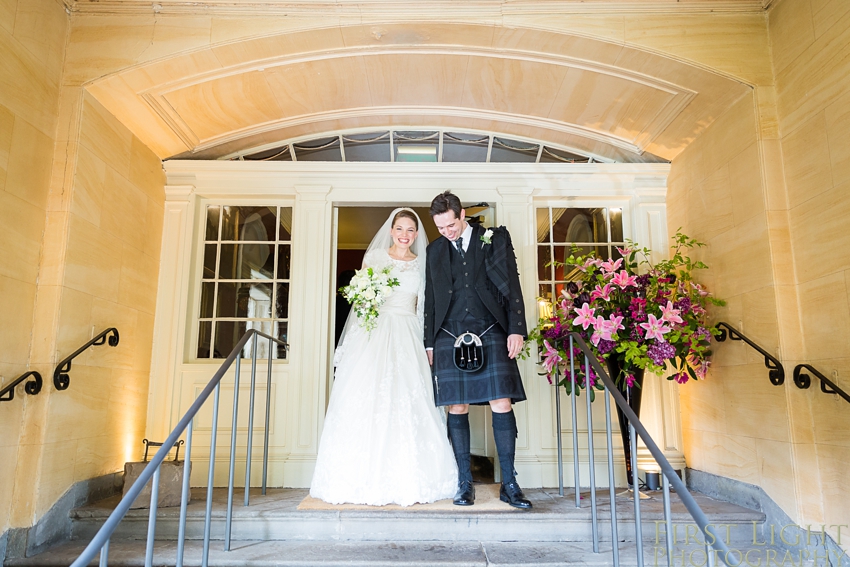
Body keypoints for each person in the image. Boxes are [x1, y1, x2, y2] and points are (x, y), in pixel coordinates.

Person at [310, 208, 458, 506]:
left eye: (410, 230)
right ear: (391, 230)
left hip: (408, 332)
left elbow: (423, 306)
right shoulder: (375, 259)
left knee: (409, 398)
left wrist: (427, 343)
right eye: (400, 229)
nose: (405, 235)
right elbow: (363, 302)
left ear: (416, 235)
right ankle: (360, 476)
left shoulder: (422, 264)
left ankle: (412, 476)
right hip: (375, 333)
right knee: (370, 398)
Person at [424, 191, 532, 509]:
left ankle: (509, 483)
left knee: (501, 401)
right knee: (456, 407)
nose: (447, 232)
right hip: (447, 332)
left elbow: (512, 282)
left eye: (450, 225)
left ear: (461, 215)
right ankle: (464, 482)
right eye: (440, 228)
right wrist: (429, 342)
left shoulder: (493, 239)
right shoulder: (434, 250)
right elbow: (431, 297)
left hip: (491, 329)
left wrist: (516, 329)